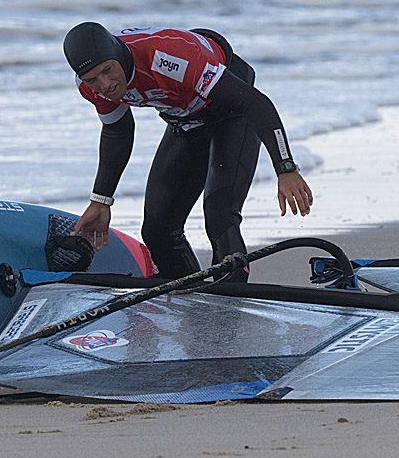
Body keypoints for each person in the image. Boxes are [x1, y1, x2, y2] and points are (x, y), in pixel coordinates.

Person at [64, 22, 313, 282]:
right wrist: (101, 199)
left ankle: (232, 310)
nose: (105, 85)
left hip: (233, 111)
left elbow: (254, 102)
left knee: (220, 218)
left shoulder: (166, 58)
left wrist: (286, 168)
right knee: (158, 231)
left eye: (108, 71)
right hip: (186, 120)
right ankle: (192, 302)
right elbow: (118, 132)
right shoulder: (91, 87)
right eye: (92, 79)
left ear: (118, 55)